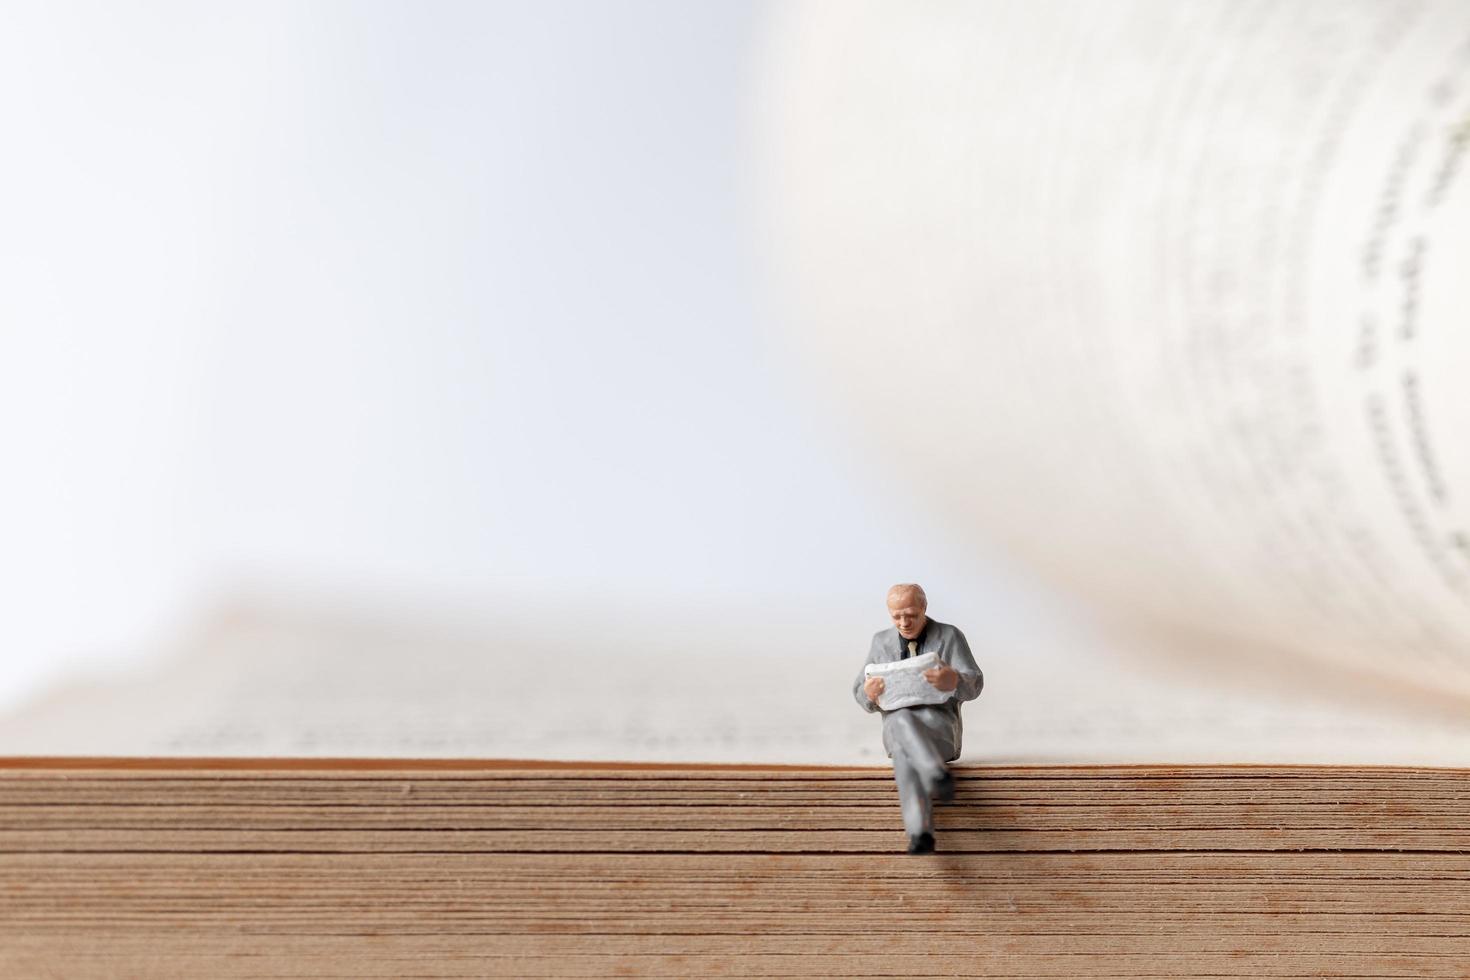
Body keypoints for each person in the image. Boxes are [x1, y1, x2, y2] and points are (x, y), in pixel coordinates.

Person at [853, 583, 983, 853]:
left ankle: (920, 834)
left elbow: (975, 684)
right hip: (898, 730)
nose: (904, 622)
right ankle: (935, 774)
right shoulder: (881, 641)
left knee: (902, 750)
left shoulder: (949, 636)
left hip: (937, 729)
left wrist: (953, 679)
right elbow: (859, 691)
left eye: (911, 614)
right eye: (896, 616)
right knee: (900, 720)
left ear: (924, 608)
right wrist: (870, 694)